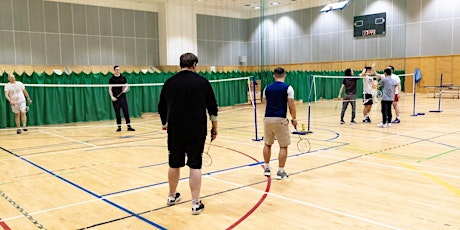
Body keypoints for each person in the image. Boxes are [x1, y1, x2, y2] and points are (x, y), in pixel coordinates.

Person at [158, 52, 218, 215]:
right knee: (195, 164)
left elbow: (161, 106)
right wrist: (214, 127)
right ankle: (195, 203)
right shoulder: (203, 82)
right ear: (194, 65)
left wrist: (165, 123)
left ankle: (171, 196)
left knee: (174, 163)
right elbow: (213, 107)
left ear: (180, 64)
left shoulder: (169, 83)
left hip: (175, 130)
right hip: (196, 130)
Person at [262, 67, 297, 180]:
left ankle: (266, 168)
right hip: (280, 120)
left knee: (267, 144)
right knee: (283, 146)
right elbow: (292, 106)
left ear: (274, 75)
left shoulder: (267, 88)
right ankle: (280, 171)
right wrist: (294, 119)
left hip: (268, 119)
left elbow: (264, 102)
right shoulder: (288, 88)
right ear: (285, 75)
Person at [109, 65, 135, 132]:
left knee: (126, 112)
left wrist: (125, 89)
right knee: (117, 113)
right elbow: (110, 89)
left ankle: (129, 126)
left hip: (122, 98)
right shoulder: (111, 79)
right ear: (114, 70)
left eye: (119, 69)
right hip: (115, 98)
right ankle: (119, 127)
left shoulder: (123, 77)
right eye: (116, 69)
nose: (118, 70)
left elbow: (126, 85)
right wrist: (112, 96)